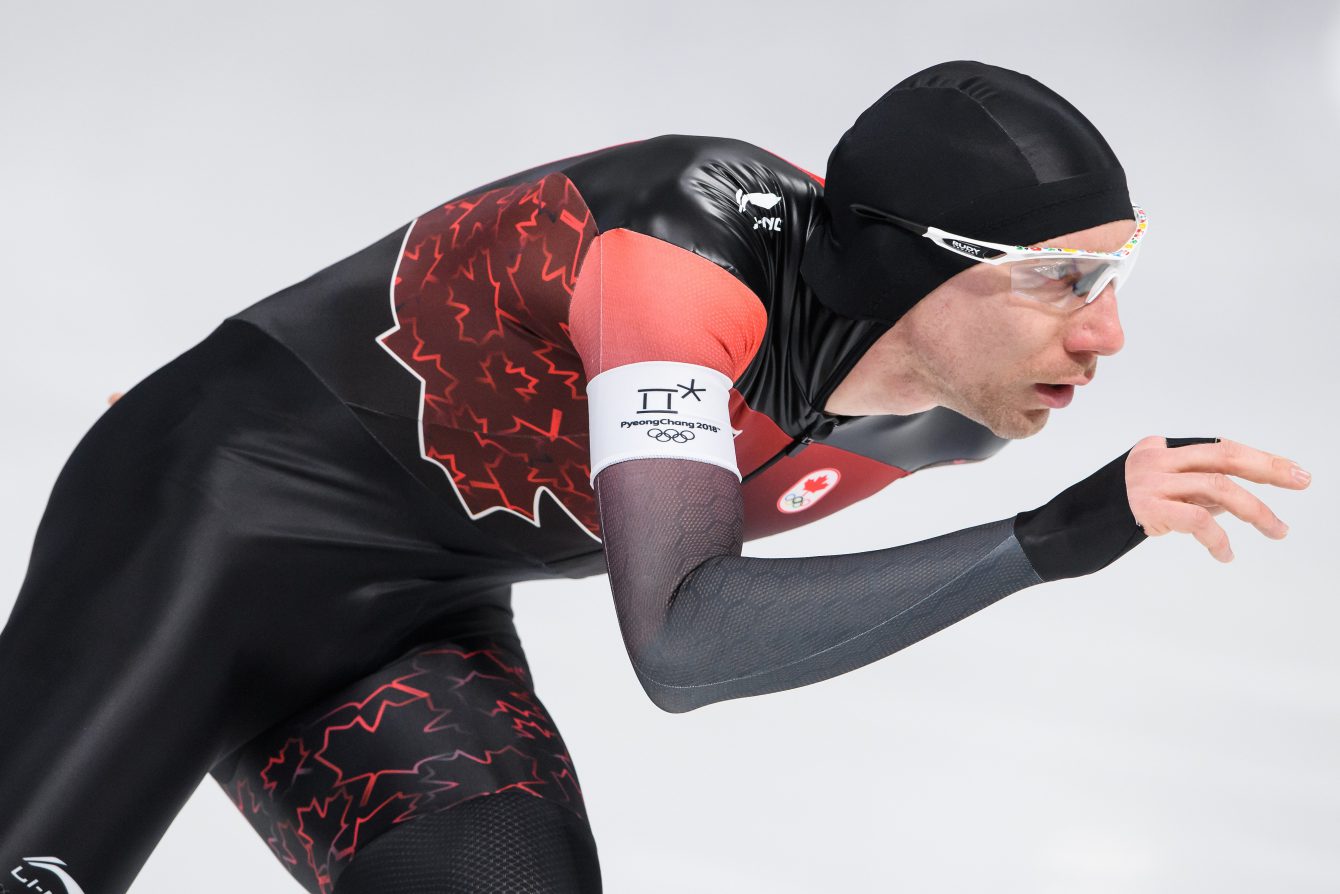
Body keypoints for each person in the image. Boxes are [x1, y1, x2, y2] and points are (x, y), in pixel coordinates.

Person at [0, 59, 1309, 894]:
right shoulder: (684, 250)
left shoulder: (957, 418)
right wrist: (1048, 541)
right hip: (202, 520)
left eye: (1118, 277)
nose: (1105, 337)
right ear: (921, 260)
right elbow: (682, 637)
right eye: (1064, 280)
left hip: (411, 624)